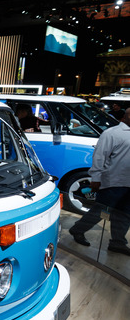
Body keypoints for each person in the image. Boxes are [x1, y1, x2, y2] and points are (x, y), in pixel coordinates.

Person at [69, 107, 130, 256]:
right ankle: (77, 230)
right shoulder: (112, 133)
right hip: (112, 182)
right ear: (127, 116)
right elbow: (99, 157)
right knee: (100, 212)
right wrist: (95, 179)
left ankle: (118, 242)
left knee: (124, 214)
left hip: (127, 183)